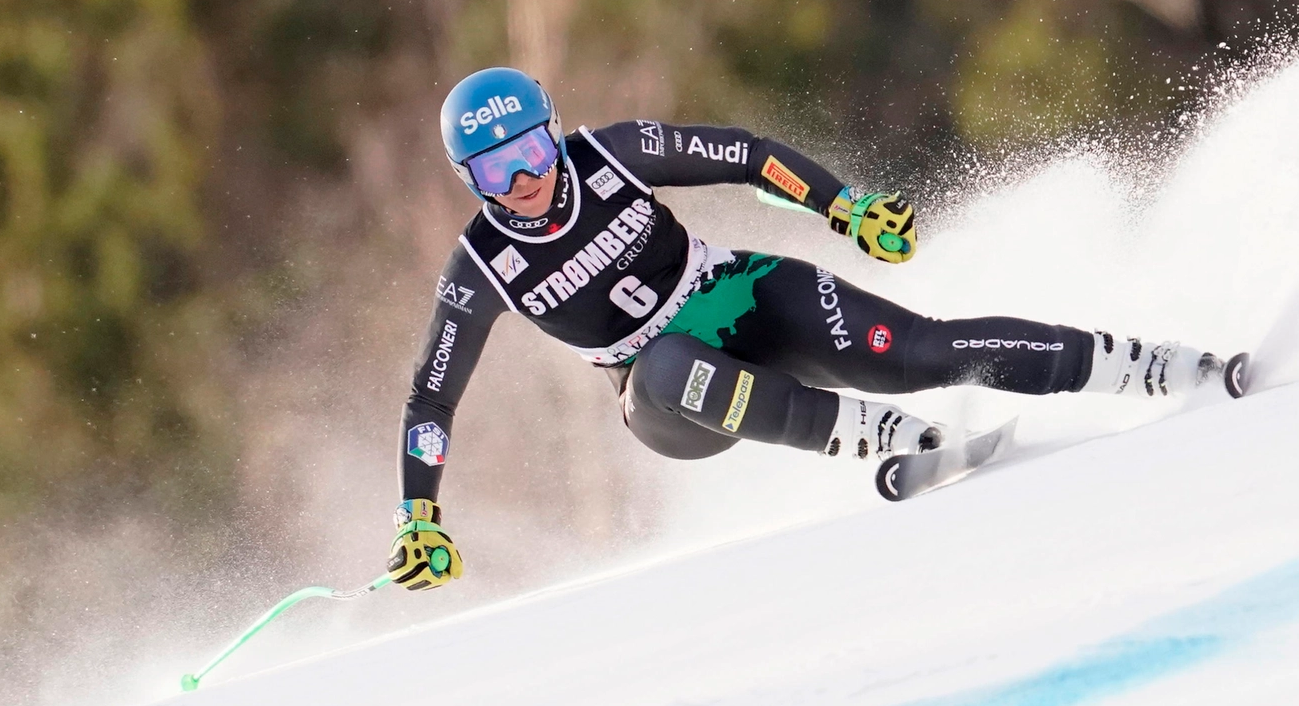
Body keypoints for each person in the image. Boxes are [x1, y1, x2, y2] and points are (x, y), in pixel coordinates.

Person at [386, 67, 1247, 590]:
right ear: (473, 179)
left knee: (925, 351)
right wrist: (417, 515)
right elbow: (434, 392)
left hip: (741, 297)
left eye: (533, 150)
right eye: (500, 169)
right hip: (674, 403)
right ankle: (873, 435)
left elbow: (743, 153)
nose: (528, 179)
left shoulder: (609, 153)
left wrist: (847, 207)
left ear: (552, 133)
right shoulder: (481, 265)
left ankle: (1153, 364)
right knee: (661, 364)